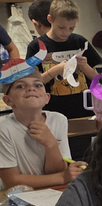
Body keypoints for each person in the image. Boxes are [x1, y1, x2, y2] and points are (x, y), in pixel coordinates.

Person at [0, 62, 85, 190]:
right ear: (8, 100)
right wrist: (62, 178)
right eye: (20, 86)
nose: (31, 89)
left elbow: (57, 171)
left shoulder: (59, 120)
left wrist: (51, 144)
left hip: (50, 192)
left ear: (47, 98)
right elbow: (12, 181)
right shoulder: (3, 128)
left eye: (38, 85)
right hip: (15, 197)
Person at [25, 0, 102, 120]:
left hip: (83, 109)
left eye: (71, 28)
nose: (66, 32)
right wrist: (54, 71)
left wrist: (85, 66)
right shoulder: (36, 46)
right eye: (61, 27)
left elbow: (96, 78)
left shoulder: (79, 41)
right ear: (50, 19)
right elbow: (31, 83)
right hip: (52, 110)